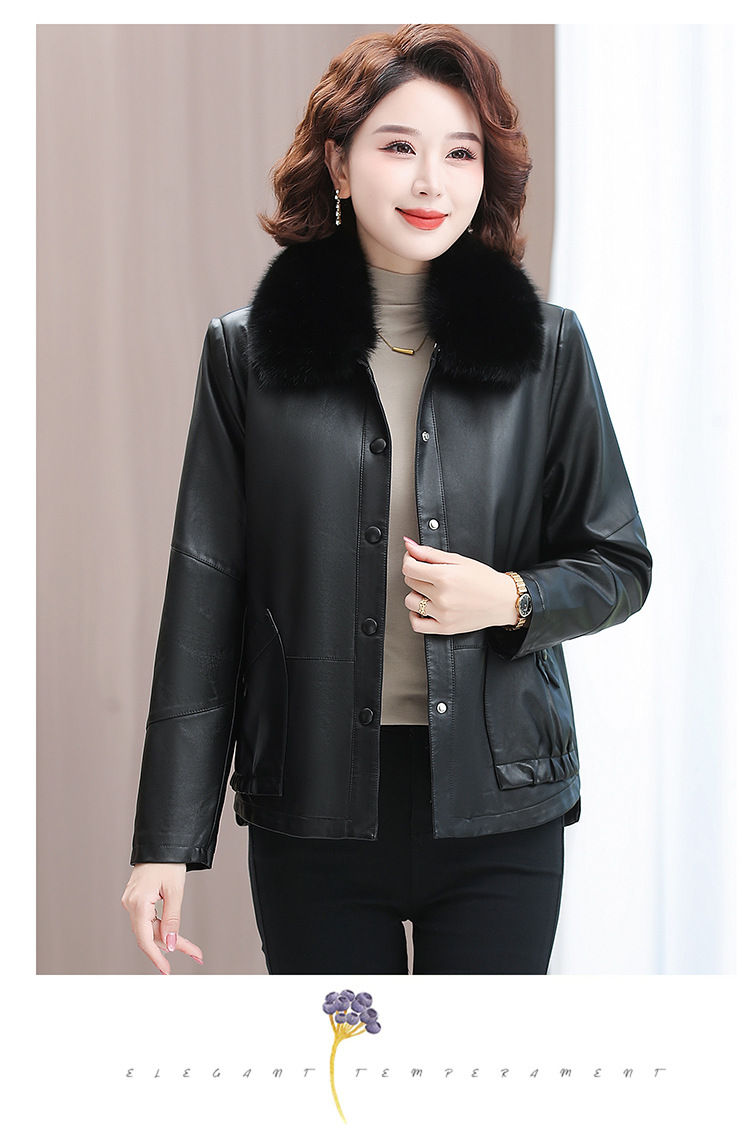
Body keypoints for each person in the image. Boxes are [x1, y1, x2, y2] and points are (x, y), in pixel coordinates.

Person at [121, 24, 651, 975]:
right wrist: (165, 839)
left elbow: (619, 563)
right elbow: (206, 594)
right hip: (315, 812)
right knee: (347, 1064)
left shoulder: (548, 349)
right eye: (399, 146)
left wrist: (510, 598)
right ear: (338, 160)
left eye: (461, 153)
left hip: (500, 807)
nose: (430, 181)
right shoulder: (247, 355)